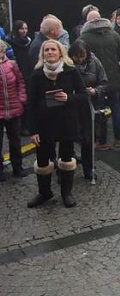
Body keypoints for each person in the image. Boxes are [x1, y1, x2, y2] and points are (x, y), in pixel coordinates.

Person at [27, 40, 85, 208]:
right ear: (42, 54)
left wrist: (69, 98)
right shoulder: (37, 74)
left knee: (67, 158)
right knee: (43, 160)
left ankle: (66, 193)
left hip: (66, 122)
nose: (50, 52)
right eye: (47, 50)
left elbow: (82, 95)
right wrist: (33, 130)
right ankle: (44, 193)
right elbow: (31, 104)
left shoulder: (70, 71)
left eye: (53, 49)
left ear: (60, 53)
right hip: (44, 124)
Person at [80, 13, 120, 150]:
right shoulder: (114, 34)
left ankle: (103, 141)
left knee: (101, 110)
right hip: (114, 79)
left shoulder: (84, 38)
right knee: (116, 108)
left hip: (97, 81)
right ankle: (119, 139)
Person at [68, 40, 108, 181]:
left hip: (89, 105)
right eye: (76, 57)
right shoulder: (67, 64)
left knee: (88, 139)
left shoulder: (95, 63)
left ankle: (89, 168)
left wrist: (95, 90)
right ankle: (64, 168)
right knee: (68, 138)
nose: (79, 60)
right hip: (71, 106)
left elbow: (103, 82)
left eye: (81, 56)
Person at [0, 41, 28, 181]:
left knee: (15, 141)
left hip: (14, 108)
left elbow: (20, 82)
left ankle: (18, 168)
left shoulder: (12, 65)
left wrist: (21, 99)